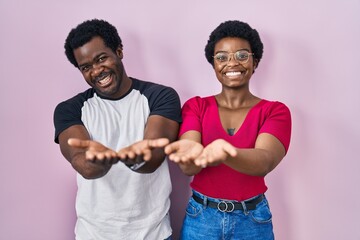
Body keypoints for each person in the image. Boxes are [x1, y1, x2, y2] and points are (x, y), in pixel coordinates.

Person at [53, 19, 181, 240]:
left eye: (101, 58)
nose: (96, 71)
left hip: (153, 234)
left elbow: (153, 156)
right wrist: (97, 161)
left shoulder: (160, 96)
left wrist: (138, 157)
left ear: (119, 51)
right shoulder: (69, 109)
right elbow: (81, 162)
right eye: (86, 67)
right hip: (94, 235)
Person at [164, 20, 292, 239]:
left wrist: (225, 152)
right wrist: (188, 156)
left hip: (252, 220)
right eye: (222, 57)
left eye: (242, 55)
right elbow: (190, 165)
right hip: (201, 218)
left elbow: (265, 161)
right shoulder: (196, 106)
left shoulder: (275, 111)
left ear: (255, 61)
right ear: (214, 65)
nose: (232, 63)